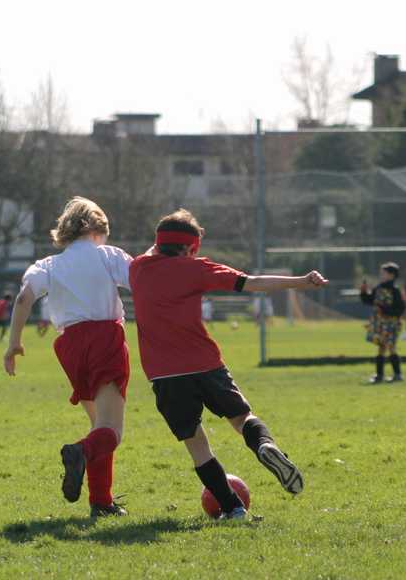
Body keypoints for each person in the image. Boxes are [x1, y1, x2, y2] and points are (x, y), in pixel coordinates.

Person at [129, 209, 327, 520]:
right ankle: (264, 446)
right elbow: (253, 282)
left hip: (165, 374)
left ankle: (233, 508)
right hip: (206, 364)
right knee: (241, 417)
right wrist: (302, 281)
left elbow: (154, 251)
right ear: (191, 247)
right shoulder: (197, 269)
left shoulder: (138, 268)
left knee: (197, 445)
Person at [4, 197, 133, 518]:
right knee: (112, 431)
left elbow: (23, 298)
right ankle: (81, 452)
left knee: (99, 424)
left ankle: (101, 502)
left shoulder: (49, 265)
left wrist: (14, 343)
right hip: (105, 337)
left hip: (69, 345)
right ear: (98, 227)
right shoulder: (109, 256)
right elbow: (143, 282)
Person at [360, 262, 406, 384]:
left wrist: (386, 310)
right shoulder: (378, 288)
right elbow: (370, 301)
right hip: (380, 323)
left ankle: (397, 375)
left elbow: (400, 308)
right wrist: (363, 293)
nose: (381, 275)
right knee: (381, 347)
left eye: (384, 273)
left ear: (392, 275)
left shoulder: (396, 290)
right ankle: (379, 375)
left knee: (391, 347)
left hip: (391, 323)